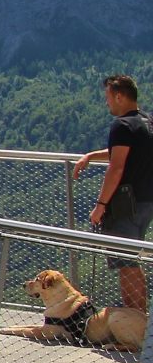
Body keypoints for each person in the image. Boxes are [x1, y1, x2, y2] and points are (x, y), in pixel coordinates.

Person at [74, 75, 153, 339]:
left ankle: (136, 327)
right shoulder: (146, 122)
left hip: (123, 206)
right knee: (132, 261)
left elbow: (117, 166)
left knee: (125, 264)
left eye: (108, 96)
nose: (107, 102)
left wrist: (100, 205)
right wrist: (91, 156)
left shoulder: (120, 125)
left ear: (119, 96)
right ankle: (141, 322)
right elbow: (124, 153)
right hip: (145, 203)